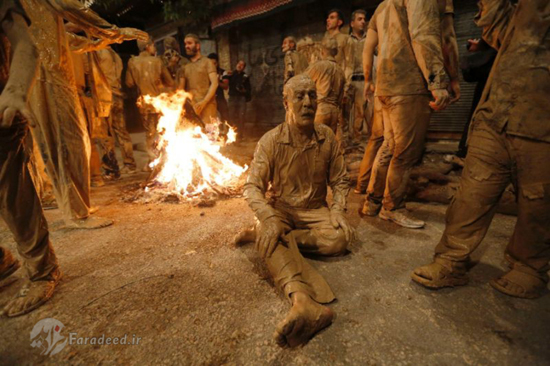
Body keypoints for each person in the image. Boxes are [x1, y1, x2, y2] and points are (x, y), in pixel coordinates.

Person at [412, 0, 550, 300]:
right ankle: (451, 259)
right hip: (496, 114)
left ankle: (529, 266)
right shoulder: (524, 10)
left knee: (537, 201)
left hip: (541, 124)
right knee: (471, 194)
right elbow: (494, 23)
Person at [237, 74, 354, 348]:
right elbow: (252, 187)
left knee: (340, 240)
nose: (307, 103)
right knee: (268, 227)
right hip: (282, 210)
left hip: (315, 212)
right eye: (300, 96)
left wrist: (337, 210)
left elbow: (339, 181)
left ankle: (268, 240)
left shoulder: (326, 137)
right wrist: (268, 218)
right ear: (286, 102)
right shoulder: (271, 141)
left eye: (312, 95)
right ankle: (302, 301)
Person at [20, 0, 147, 229]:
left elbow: (64, 40)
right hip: (48, 74)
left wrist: (98, 43)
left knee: (69, 142)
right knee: (68, 142)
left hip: (49, 73)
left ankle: (76, 207)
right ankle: (77, 214)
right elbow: (71, 8)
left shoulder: (36, 15)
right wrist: (115, 31)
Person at [358, 0, 453, 229]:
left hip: (386, 85)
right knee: (405, 152)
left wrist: (369, 80)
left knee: (389, 146)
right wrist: (438, 80)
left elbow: (368, 47)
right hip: (408, 84)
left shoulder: (381, 6)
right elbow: (424, 34)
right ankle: (392, 208)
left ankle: (372, 202)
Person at [0, 0, 61, 317]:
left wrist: (16, 88)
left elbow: (25, 44)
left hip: (2, 112)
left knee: (12, 195)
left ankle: (41, 270)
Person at [126, 38, 174, 170]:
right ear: (147, 46)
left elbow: (129, 82)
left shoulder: (132, 62)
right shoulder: (157, 61)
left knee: (149, 133)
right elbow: (170, 82)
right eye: (153, 45)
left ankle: (152, 161)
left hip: (144, 103)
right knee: (164, 131)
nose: (154, 48)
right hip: (159, 103)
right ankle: (164, 160)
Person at [355, 1, 387, 196]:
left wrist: (369, 81)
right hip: (394, 85)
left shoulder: (380, 12)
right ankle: (377, 195)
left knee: (376, 138)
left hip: (380, 84)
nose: (363, 22)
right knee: (389, 142)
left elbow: (369, 51)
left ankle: (363, 184)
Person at [97, 46, 138, 174]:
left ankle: (111, 168)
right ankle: (130, 164)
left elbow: (89, 70)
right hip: (117, 95)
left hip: (105, 96)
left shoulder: (98, 52)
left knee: (106, 133)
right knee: (121, 131)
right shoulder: (116, 55)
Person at [305, 37, 345, 135]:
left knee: (314, 142)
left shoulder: (319, 66)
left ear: (322, 51)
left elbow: (302, 82)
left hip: (320, 109)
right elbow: (340, 98)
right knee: (328, 145)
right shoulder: (340, 71)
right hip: (334, 112)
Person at [179, 34, 219, 123]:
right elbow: (181, 90)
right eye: (185, 44)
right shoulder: (185, 67)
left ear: (197, 45)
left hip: (208, 107)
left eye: (189, 43)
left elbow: (215, 83)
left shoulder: (207, 62)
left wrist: (204, 102)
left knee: (210, 135)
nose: (186, 46)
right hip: (192, 109)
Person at [343, 9, 367, 144]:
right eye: (359, 19)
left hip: (362, 81)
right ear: (352, 23)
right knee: (344, 112)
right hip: (348, 81)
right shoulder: (346, 40)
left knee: (360, 112)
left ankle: (356, 141)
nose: (363, 21)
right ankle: (344, 139)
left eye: (364, 19)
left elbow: (379, 53)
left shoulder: (368, 39)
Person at [227, 60, 251, 137]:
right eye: (239, 64)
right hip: (232, 98)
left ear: (243, 68)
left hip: (241, 98)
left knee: (241, 117)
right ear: (236, 64)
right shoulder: (230, 74)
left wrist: (243, 90)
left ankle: (240, 135)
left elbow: (248, 89)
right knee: (231, 116)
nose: (240, 65)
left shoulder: (245, 77)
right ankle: (232, 134)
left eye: (242, 65)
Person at [207, 53, 230, 124]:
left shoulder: (223, 72)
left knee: (225, 117)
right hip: (209, 99)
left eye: (215, 63)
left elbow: (226, 86)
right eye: (211, 63)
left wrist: (216, 81)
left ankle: (226, 133)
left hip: (220, 98)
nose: (213, 65)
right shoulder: (205, 72)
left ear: (217, 63)